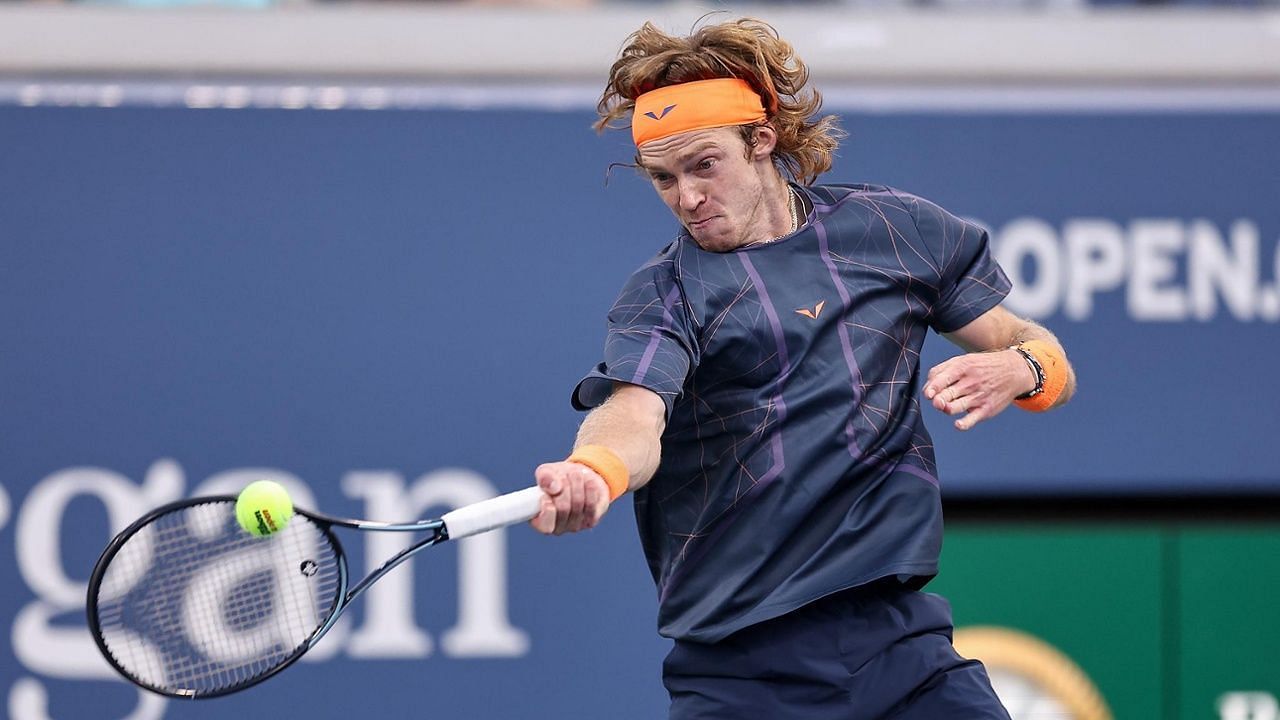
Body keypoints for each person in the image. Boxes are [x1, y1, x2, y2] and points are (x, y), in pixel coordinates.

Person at [530, 17, 1076, 719]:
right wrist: (594, 470)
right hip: (743, 676)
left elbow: (1040, 351)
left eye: (704, 165)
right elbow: (634, 413)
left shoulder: (894, 231)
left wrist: (1020, 370)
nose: (687, 197)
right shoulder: (663, 293)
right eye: (663, 178)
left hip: (900, 646)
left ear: (762, 140)